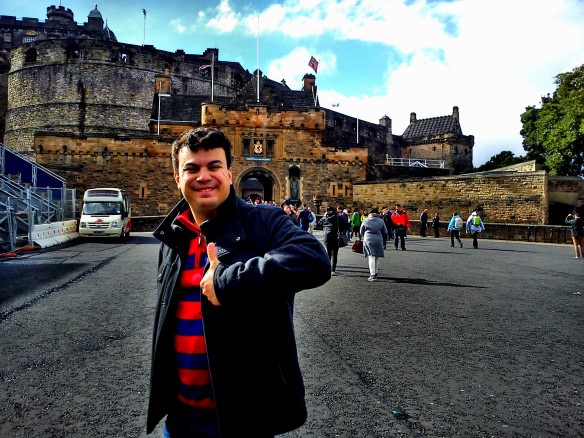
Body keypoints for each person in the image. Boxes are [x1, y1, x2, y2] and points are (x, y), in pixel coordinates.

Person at [148, 127, 331, 438]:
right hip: (179, 418)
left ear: (230, 174)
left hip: (242, 418)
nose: (203, 176)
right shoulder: (173, 235)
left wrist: (229, 281)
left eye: (214, 166)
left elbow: (314, 259)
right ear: (177, 177)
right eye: (191, 168)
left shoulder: (263, 221)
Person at [360, 208, 388, 281]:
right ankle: (375, 272)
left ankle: (372, 274)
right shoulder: (381, 221)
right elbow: (385, 231)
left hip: (368, 239)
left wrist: (364, 235)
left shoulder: (365, 220)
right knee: (377, 256)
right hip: (378, 239)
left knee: (371, 256)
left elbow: (361, 231)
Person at [319, 205, 341, 275]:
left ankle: (328, 269)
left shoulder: (326, 217)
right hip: (335, 236)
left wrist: (324, 216)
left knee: (328, 253)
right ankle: (333, 270)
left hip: (327, 237)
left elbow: (319, 223)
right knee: (335, 254)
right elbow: (345, 224)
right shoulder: (337, 216)